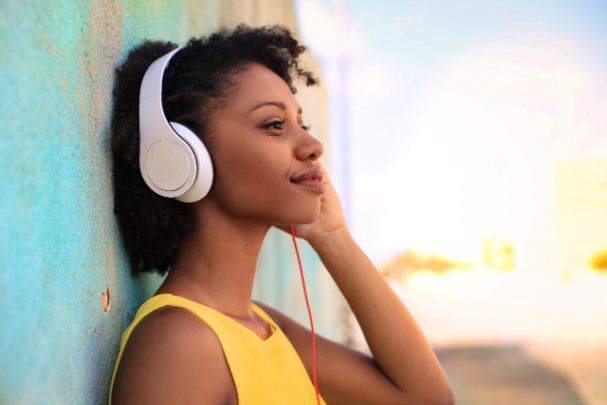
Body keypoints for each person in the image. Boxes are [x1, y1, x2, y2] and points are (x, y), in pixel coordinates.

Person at [109, 24, 454, 405]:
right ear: (181, 158)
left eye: (301, 124)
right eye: (274, 125)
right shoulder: (179, 342)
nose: (313, 144)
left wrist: (332, 235)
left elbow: (427, 398)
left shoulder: (266, 328)